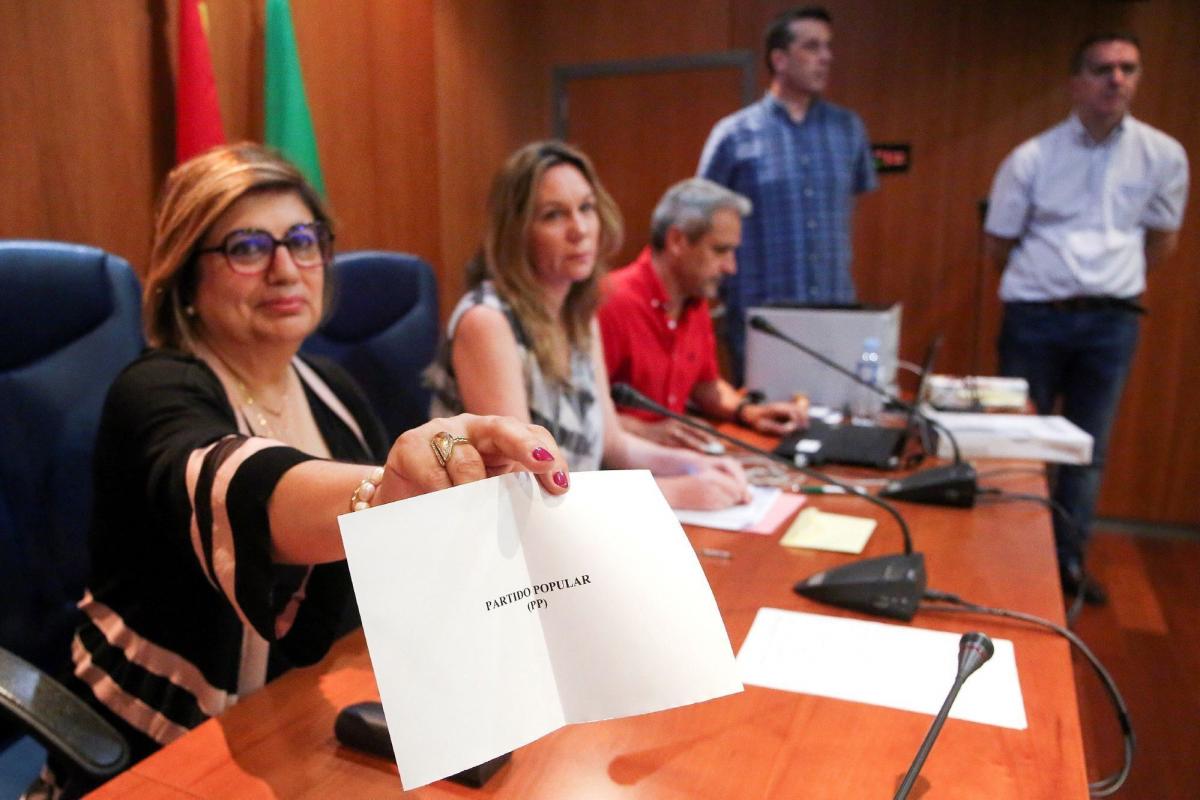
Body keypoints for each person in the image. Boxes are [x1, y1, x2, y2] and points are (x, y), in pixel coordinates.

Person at [34, 143, 571, 797]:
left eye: (303, 241)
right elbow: (235, 481)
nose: (286, 268)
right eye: (247, 247)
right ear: (187, 279)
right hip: (157, 742)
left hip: (303, 711)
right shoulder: (153, 390)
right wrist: (384, 494)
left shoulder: (331, 388)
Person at [427, 141, 752, 511]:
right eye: (553, 215)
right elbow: (521, 481)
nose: (579, 229)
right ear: (517, 231)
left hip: (571, 519)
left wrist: (693, 465)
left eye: (586, 208)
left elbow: (613, 445)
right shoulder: (487, 322)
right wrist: (674, 493)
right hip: (503, 529)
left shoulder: (579, 315)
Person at [983, 33, 1188, 605]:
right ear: (1076, 82)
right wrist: (1051, 284)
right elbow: (999, 243)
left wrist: (1104, 286)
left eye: (1128, 68)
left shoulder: (1163, 155)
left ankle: (1066, 563)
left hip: (1110, 323)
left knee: (1086, 450)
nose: (1116, 79)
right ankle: (1007, 561)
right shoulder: (1032, 157)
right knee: (1017, 443)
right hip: (1034, 318)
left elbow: (1161, 240)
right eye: (1102, 69)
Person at [698, 5, 877, 383]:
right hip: (762, 317)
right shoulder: (734, 135)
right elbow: (703, 218)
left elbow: (850, 207)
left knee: (836, 413)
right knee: (763, 415)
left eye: (828, 46)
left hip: (834, 314)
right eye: (812, 47)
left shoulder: (848, 130)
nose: (826, 57)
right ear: (779, 59)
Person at [598, 177, 808, 451]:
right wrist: (644, 431)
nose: (731, 267)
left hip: (671, 459)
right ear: (677, 240)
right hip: (615, 465)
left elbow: (705, 385)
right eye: (720, 250)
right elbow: (573, 412)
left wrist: (747, 411)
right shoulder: (609, 302)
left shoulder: (694, 299)